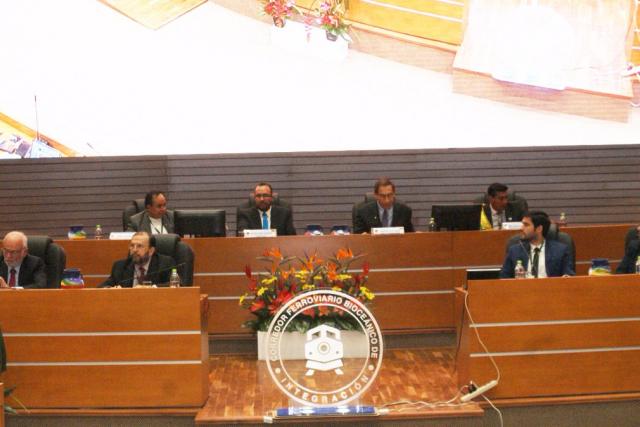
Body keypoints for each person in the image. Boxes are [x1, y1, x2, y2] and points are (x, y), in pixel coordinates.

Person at [500, 211, 574, 278]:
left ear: (539, 229)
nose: (521, 228)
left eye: (526, 225)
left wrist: (566, 277)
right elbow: (504, 278)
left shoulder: (560, 251)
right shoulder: (514, 251)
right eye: (522, 224)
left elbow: (568, 275)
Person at [99, 232, 175, 287]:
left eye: (139, 246)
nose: (134, 250)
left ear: (151, 251)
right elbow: (101, 288)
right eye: (132, 246)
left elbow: (175, 284)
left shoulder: (165, 263)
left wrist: (152, 288)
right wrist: (111, 289)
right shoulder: (120, 266)